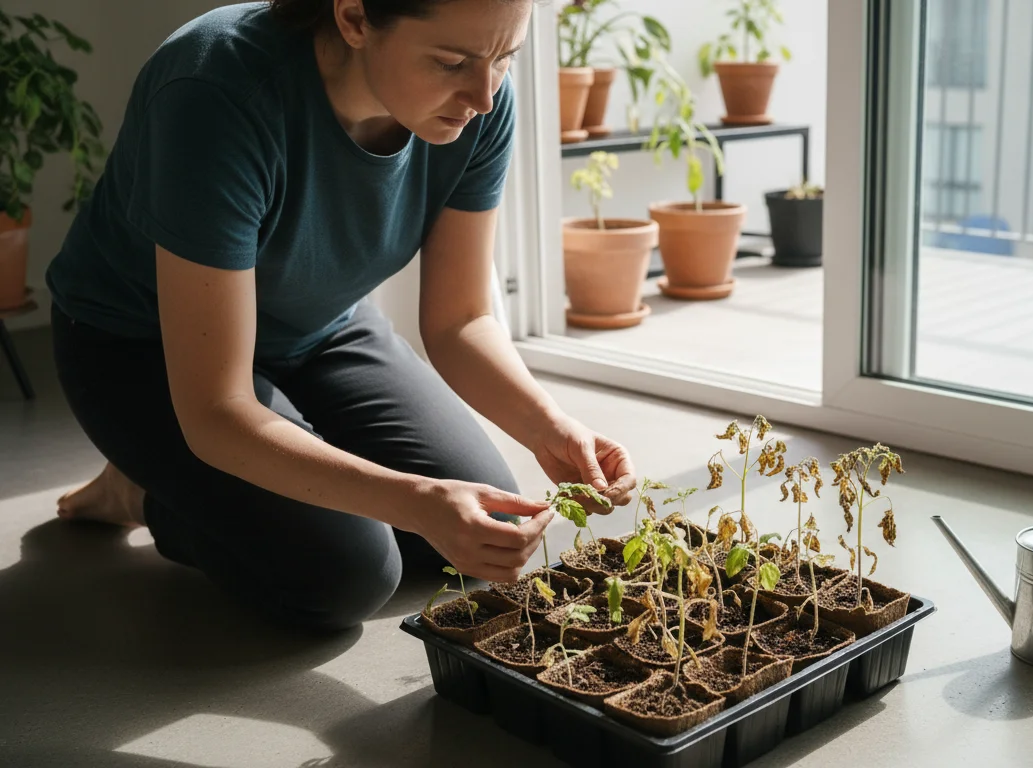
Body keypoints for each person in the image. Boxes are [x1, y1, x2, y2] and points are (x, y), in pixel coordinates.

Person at [43, 0, 636, 631]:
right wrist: (418, 499)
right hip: (140, 346)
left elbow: (460, 320)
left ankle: (210, 473)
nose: (484, 96)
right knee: (347, 574)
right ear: (354, 18)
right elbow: (219, 409)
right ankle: (138, 491)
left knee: (488, 527)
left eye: (504, 57)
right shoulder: (216, 92)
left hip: (318, 327)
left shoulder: (480, 106)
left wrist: (548, 425)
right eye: (451, 61)